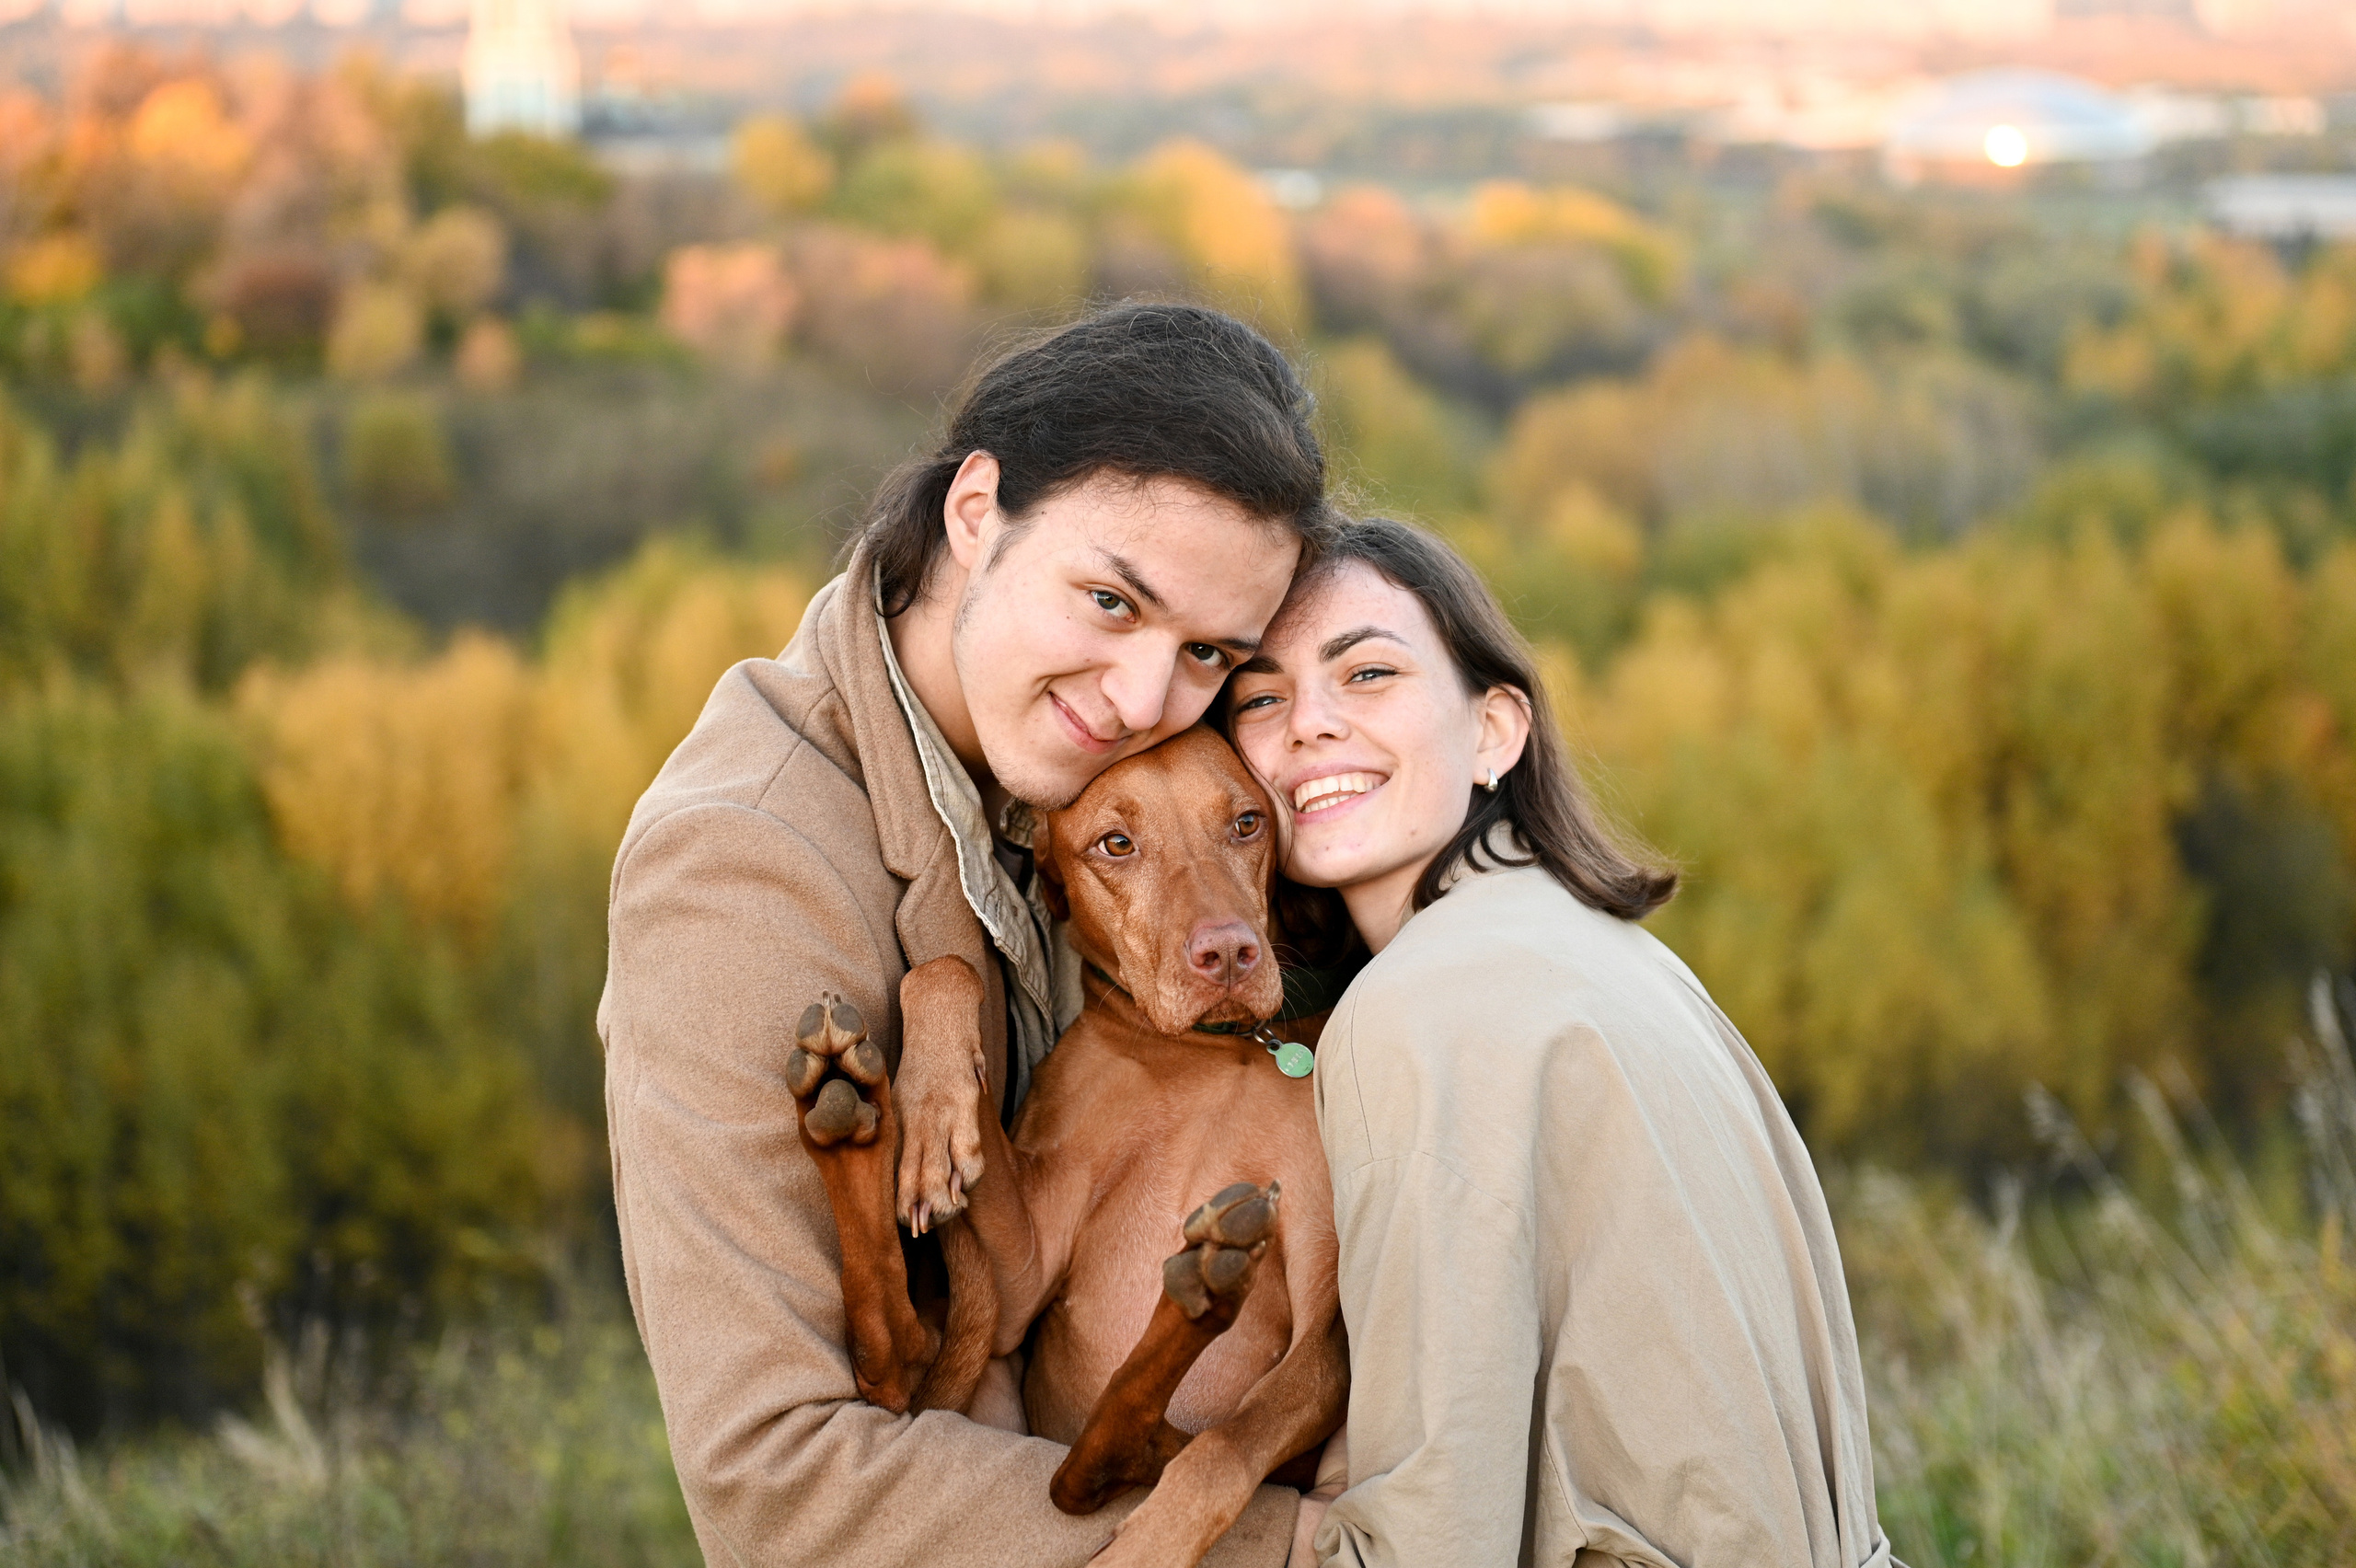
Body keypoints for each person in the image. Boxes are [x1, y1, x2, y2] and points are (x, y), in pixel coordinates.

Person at [600, 303, 1337, 1568]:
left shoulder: (1068, 775)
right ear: (974, 510)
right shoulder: (738, 871)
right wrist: (1348, 1553)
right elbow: (781, 1484)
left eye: (1207, 651)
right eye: (1111, 600)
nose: (1144, 700)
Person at [1226, 518, 1898, 1568]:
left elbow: (1428, 1549)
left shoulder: (1419, 1009)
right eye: (1261, 697)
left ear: (1495, 730)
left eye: (1366, 673)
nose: (1307, 722)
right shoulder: (1606, 950)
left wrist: (1176, 1527)